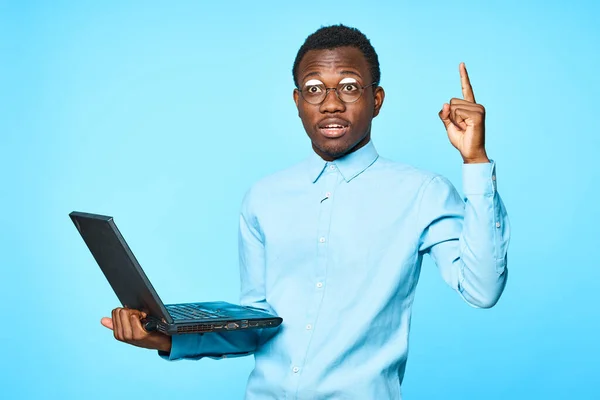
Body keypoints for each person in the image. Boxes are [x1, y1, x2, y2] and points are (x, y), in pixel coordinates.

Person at [101, 25, 510, 399]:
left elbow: (482, 288)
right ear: (298, 102)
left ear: (376, 99)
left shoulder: (422, 193)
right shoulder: (263, 197)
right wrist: (170, 338)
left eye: (349, 87)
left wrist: (475, 160)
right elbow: (258, 325)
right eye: (314, 89)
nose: (331, 103)